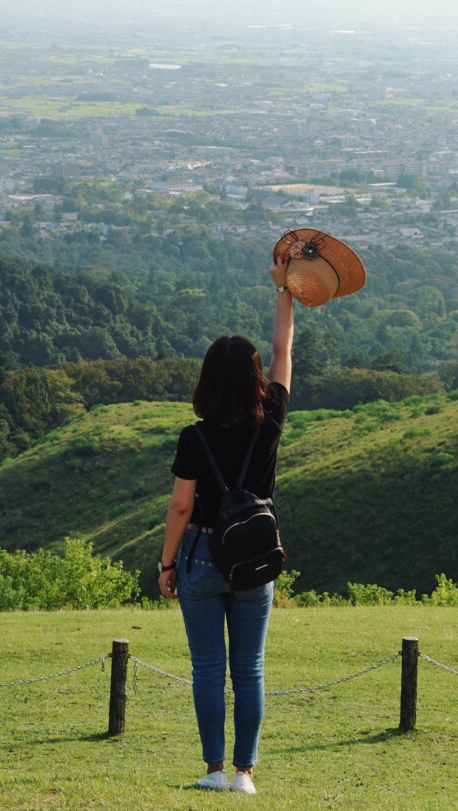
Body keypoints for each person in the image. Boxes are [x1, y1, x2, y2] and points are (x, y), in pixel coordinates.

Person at [157, 257, 295, 796]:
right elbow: (284, 351)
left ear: (208, 380)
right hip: (254, 557)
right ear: (256, 378)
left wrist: (168, 563)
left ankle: (213, 770)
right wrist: (284, 289)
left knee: (208, 668)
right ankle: (245, 775)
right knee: (250, 669)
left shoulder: (195, 438)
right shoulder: (272, 424)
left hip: (200, 556)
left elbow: (180, 508)